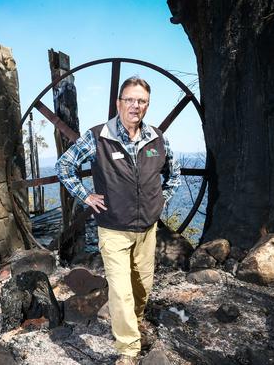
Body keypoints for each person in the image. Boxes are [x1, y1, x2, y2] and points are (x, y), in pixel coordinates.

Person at [56, 76, 181, 365]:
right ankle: (128, 350)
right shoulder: (98, 136)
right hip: (113, 228)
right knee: (121, 290)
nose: (135, 106)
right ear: (118, 103)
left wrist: (163, 199)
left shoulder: (157, 139)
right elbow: (65, 165)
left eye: (141, 101)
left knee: (142, 286)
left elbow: (174, 172)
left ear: (147, 105)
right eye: (130, 100)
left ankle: (134, 322)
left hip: (147, 230)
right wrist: (85, 195)